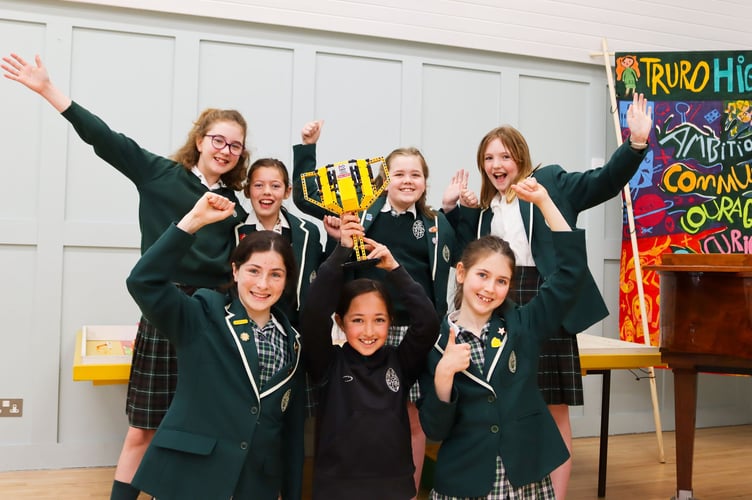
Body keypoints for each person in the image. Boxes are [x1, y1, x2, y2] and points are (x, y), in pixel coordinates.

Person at [1, 53, 249, 500]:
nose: (225, 150)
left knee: (202, 424)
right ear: (200, 139)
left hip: (213, 314)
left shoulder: (237, 205)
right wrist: (47, 89)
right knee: (144, 427)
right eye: (218, 139)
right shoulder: (158, 173)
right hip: (165, 307)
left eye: (235, 145)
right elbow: (104, 138)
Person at [443, 92, 653, 499]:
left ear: (520, 157)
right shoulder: (486, 208)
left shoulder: (551, 181)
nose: (496, 165)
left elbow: (604, 182)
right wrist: (453, 208)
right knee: (504, 398)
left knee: (553, 406)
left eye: (503, 156)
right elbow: (466, 255)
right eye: (488, 158)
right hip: (500, 304)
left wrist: (636, 144)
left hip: (545, 300)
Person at [293, 122, 458, 494]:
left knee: (411, 416)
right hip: (363, 326)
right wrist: (307, 149)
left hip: (414, 330)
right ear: (384, 180)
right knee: (351, 406)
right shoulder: (362, 214)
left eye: (416, 174)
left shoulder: (436, 225)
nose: (407, 180)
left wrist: (453, 209)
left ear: (425, 182)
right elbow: (306, 199)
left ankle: (407, 488)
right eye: (398, 173)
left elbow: (461, 251)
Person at [125, 192, 305, 499]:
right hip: (191, 478)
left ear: (286, 281)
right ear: (235, 271)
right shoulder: (203, 314)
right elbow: (143, 282)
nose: (263, 285)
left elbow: (290, 434)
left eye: (276, 274)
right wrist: (192, 222)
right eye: (253, 271)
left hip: (254, 484)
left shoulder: (293, 342)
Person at [419, 177, 587, 499]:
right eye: (482, 275)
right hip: (466, 482)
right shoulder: (437, 342)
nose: (489, 289)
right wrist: (444, 373)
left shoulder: (524, 324)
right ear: (461, 273)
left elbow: (571, 273)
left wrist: (545, 204)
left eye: (501, 281)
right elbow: (435, 430)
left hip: (525, 479)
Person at [300, 211, 440, 500]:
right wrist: (342, 251)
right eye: (357, 320)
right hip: (337, 488)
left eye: (379, 320)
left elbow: (428, 323)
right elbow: (313, 314)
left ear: (390, 321)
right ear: (340, 322)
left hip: (395, 487)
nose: (368, 330)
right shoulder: (328, 363)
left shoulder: (399, 362)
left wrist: (395, 270)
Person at [236, 157, 323, 328]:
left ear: (287, 191)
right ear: (247, 191)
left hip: (295, 328)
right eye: (258, 185)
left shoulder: (307, 232)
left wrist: (337, 240)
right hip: (244, 326)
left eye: (275, 186)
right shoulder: (234, 230)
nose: (267, 192)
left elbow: (322, 276)